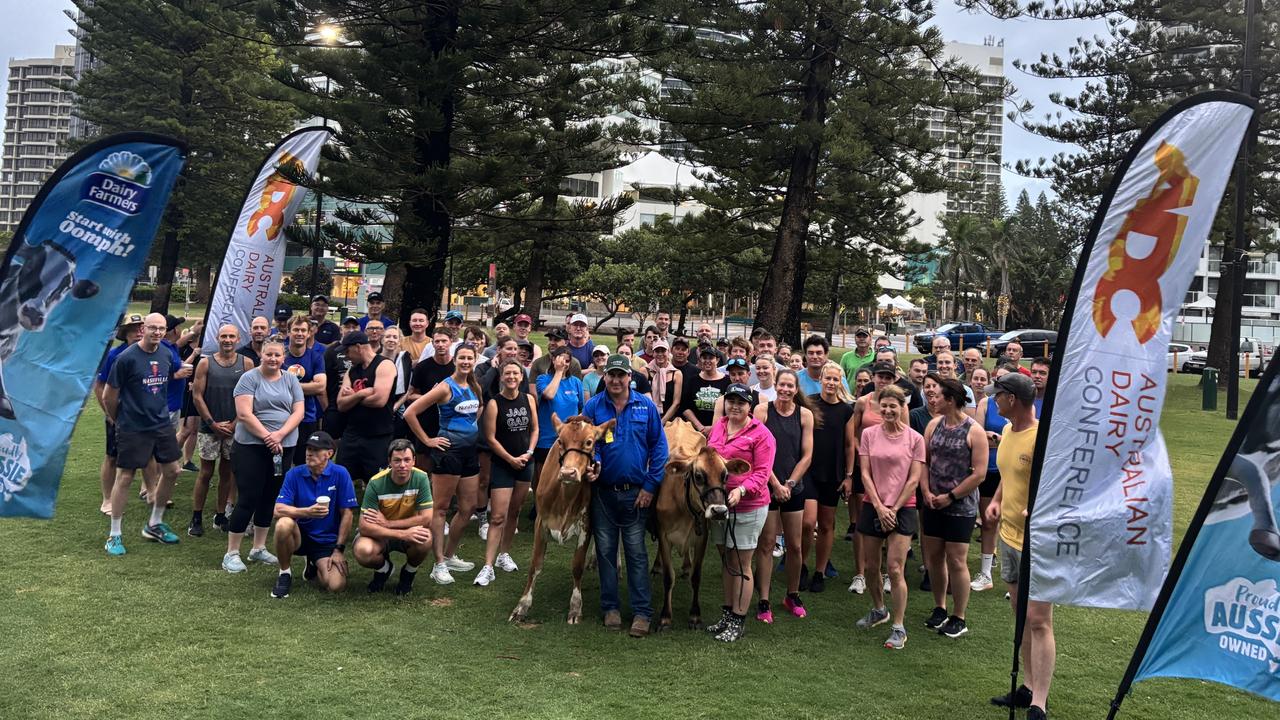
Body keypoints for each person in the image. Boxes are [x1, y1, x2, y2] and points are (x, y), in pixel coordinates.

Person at [582, 354, 669, 638]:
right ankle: (611, 608)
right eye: (612, 375)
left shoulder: (645, 406)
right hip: (603, 492)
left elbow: (659, 448)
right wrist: (592, 462)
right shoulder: (594, 407)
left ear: (630, 377)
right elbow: (586, 445)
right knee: (606, 553)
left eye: (622, 375)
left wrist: (650, 486)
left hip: (636, 493)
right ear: (604, 377)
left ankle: (642, 612)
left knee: (636, 553)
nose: (616, 380)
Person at [984, 372, 1053, 719]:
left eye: (997, 395)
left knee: (1039, 619)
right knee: (1021, 616)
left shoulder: (1043, 439)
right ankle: (1026, 686)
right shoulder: (1009, 431)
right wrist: (997, 499)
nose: (994, 401)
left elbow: (1060, 486)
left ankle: (1039, 701)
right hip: (1008, 537)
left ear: (1012, 399)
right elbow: (1009, 475)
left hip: (1037, 542)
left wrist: (1037, 507)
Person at [101, 313, 183, 555]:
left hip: (161, 423)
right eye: (152, 328)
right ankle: (114, 535)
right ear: (143, 329)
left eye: (161, 329)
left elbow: (161, 387)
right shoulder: (126, 358)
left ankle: (154, 524)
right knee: (125, 477)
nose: (157, 332)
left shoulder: (166, 353)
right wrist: (120, 420)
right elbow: (108, 395)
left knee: (173, 470)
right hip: (132, 426)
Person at [223, 339, 305, 573]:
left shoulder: (290, 379)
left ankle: (258, 547)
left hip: (284, 446)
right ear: (261, 355)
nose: (273, 359)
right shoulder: (249, 379)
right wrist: (268, 437)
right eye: (269, 354)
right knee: (249, 497)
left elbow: (298, 411)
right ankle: (232, 552)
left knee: (270, 496)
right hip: (252, 446)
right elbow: (244, 414)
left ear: (283, 357)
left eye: (277, 355)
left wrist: (279, 435)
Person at [405, 343, 483, 584]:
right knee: (440, 508)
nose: (466, 362)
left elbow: (476, 409)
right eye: (462, 358)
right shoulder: (444, 387)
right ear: (455, 360)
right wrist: (428, 440)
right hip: (448, 453)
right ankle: (438, 563)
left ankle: (449, 555)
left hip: (470, 453)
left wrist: (470, 429)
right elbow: (410, 412)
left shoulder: (474, 384)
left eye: (470, 358)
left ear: (474, 360)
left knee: (468, 507)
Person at [704, 383, 776, 642]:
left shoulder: (762, 434)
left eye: (741, 402)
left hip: (748, 505)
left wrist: (741, 491)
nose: (735, 406)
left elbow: (762, 473)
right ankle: (727, 612)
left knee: (742, 562)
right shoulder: (720, 426)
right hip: (720, 504)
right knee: (727, 561)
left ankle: (739, 618)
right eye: (731, 401)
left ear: (750, 406)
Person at [855, 384, 924, 650]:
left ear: (902, 407)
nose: (887, 410)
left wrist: (893, 509)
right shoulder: (869, 434)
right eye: (883, 405)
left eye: (893, 405)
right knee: (872, 567)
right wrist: (880, 506)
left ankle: (898, 625)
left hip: (903, 508)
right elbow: (865, 473)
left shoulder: (915, 439)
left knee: (895, 568)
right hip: (873, 505)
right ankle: (878, 609)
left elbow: (914, 478)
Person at [920, 377, 988, 639]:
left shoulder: (974, 431)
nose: (932, 399)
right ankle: (940, 607)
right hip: (932, 502)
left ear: (950, 400)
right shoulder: (934, 425)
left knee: (957, 560)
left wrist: (950, 496)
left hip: (961, 506)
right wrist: (926, 491)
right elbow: (924, 462)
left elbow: (979, 474)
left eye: (937, 396)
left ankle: (959, 615)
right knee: (934, 558)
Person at [752, 368, 815, 622]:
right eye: (782, 385)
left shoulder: (805, 414)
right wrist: (776, 484)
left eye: (791, 386)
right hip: (767, 484)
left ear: (796, 388)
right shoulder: (762, 411)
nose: (786, 390)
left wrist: (789, 483)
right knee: (766, 544)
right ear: (775, 385)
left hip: (794, 487)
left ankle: (792, 593)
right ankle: (763, 599)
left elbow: (807, 454)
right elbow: (758, 451)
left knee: (795, 545)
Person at [270, 430, 358, 598]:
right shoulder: (294, 473)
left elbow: (347, 514)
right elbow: (277, 510)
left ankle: (314, 564)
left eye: (316, 450)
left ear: (329, 454)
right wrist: (306, 512)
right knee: (283, 524)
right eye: (308, 448)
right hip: (299, 536)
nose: (310, 453)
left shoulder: (340, 473)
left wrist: (339, 550)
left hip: (326, 540)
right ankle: (284, 573)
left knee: (335, 585)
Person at [478, 359, 539, 586]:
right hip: (504, 464)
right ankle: (488, 565)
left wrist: (529, 452)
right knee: (497, 517)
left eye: (516, 373)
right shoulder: (495, 403)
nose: (512, 377)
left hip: (525, 463)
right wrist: (510, 459)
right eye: (507, 373)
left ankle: (504, 554)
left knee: (514, 512)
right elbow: (491, 438)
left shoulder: (529, 399)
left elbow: (535, 428)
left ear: (521, 377)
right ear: (501, 377)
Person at [189, 324, 253, 536]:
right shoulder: (205, 363)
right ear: (217, 338)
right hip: (209, 428)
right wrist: (213, 423)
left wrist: (235, 423)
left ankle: (220, 514)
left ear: (238, 339)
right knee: (205, 472)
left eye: (231, 336)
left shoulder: (247, 363)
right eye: (223, 336)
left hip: (235, 428)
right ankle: (196, 517)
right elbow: (197, 395)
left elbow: (250, 396)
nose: (227, 340)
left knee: (227, 472)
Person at [355, 439, 434, 595]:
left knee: (425, 539)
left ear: (414, 461)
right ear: (389, 462)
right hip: (382, 534)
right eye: (397, 460)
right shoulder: (375, 483)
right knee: (363, 550)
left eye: (407, 460)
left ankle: (409, 572)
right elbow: (364, 526)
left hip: (395, 529)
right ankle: (384, 569)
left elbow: (426, 519)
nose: (402, 465)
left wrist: (389, 523)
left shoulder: (422, 478)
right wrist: (401, 533)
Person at [805, 361, 856, 594]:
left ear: (841, 382)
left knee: (826, 524)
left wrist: (848, 476)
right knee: (808, 522)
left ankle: (820, 571)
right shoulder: (810, 403)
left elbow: (849, 445)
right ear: (821, 379)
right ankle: (802, 565)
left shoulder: (846, 409)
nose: (832, 383)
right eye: (828, 378)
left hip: (833, 473)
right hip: (809, 471)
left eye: (836, 379)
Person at [972, 363, 1018, 593]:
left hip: (1013, 472)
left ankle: (1019, 578)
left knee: (1015, 520)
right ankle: (986, 572)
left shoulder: (1021, 408)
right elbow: (978, 436)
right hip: (990, 469)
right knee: (989, 521)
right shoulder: (985, 403)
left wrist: (997, 440)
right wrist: (993, 440)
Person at [336, 330, 397, 494]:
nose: (346, 357)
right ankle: (341, 513)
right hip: (353, 434)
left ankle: (377, 517)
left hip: (378, 435)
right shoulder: (352, 371)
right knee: (340, 479)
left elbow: (379, 400)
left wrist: (353, 398)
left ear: (358, 347)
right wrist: (362, 393)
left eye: (347, 351)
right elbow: (341, 404)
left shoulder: (384, 365)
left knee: (378, 485)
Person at [96, 314, 146, 513]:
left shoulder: (150, 353)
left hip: (144, 416)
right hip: (119, 415)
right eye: (134, 328)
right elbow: (99, 386)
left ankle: (148, 490)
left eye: (142, 327)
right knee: (112, 457)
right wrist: (110, 413)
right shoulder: (114, 355)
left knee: (147, 454)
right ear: (125, 333)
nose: (139, 332)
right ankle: (107, 499)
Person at [282, 315, 326, 467]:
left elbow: (320, 387)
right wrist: (309, 386)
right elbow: (270, 383)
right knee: (281, 462)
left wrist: (285, 384)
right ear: (288, 332)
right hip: (282, 416)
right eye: (295, 330)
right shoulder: (281, 356)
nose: (299, 333)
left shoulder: (316, 357)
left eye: (303, 330)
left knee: (305, 462)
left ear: (309, 333)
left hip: (307, 417)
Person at [405, 330, 456, 460]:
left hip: (452, 426)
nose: (440, 344)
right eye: (437, 341)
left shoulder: (458, 366)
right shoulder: (422, 367)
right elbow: (411, 396)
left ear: (451, 342)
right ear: (432, 344)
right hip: (426, 424)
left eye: (444, 341)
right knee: (424, 468)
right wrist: (431, 397)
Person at [535, 346, 586, 470]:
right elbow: (549, 394)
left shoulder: (576, 382)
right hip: (547, 439)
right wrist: (558, 372)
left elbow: (581, 409)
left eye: (567, 361)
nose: (564, 363)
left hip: (569, 440)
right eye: (560, 359)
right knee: (544, 479)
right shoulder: (543, 379)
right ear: (553, 360)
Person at [321, 316, 361, 436]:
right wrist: (327, 408)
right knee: (331, 444)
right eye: (347, 327)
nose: (351, 330)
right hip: (334, 405)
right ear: (340, 329)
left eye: (354, 327)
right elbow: (323, 381)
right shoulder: (331, 351)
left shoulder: (362, 350)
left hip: (356, 404)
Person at [681, 344, 730, 436]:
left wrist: (714, 427)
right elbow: (685, 407)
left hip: (721, 430)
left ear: (717, 360)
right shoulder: (692, 380)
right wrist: (700, 427)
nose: (707, 361)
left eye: (711, 358)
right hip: (696, 430)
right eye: (704, 358)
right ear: (700, 360)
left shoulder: (727, 381)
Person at [646, 340, 683, 422]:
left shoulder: (676, 374)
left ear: (668, 352)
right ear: (653, 353)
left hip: (669, 419)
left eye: (663, 351)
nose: (660, 354)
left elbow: (676, 403)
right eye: (657, 351)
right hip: (648, 417)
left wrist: (662, 422)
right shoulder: (645, 371)